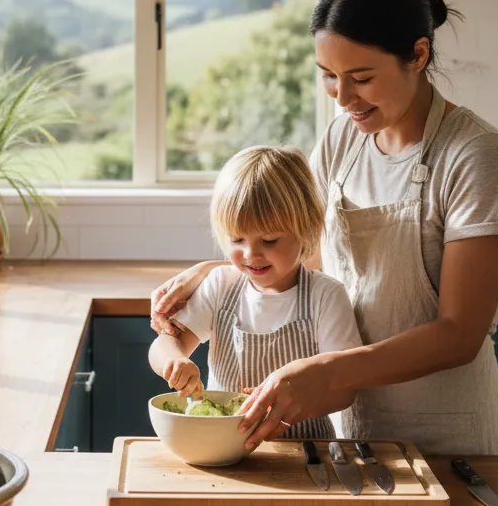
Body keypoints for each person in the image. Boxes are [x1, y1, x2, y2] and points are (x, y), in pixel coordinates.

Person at [151, 0, 498, 456]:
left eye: (361, 78)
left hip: (451, 437)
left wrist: (328, 370)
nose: (344, 98)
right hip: (352, 432)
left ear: (418, 54)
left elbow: (460, 334)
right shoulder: (343, 140)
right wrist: (222, 271)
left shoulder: (476, 156)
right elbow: (303, 256)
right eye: (329, 77)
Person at [149, 146, 361, 439]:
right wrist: (174, 361)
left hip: (304, 449)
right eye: (237, 239)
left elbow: (344, 390)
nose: (251, 254)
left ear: (306, 231)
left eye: (270, 240)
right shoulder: (220, 285)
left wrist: (289, 404)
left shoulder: (326, 296)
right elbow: (164, 344)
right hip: (222, 445)